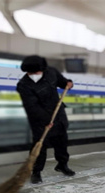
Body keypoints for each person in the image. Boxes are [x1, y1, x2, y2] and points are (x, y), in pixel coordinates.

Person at [17, 55, 75, 184]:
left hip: (58, 114)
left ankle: (62, 165)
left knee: (61, 142)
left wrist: (68, 83)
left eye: (38, 71)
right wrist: (46, 121)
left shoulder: (51, 72)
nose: (36, 74)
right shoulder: (23, 85)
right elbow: (32, 107)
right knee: (40, 145)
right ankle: (36, 172)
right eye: (31, 72)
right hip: (39, 119)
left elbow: (63, 82)